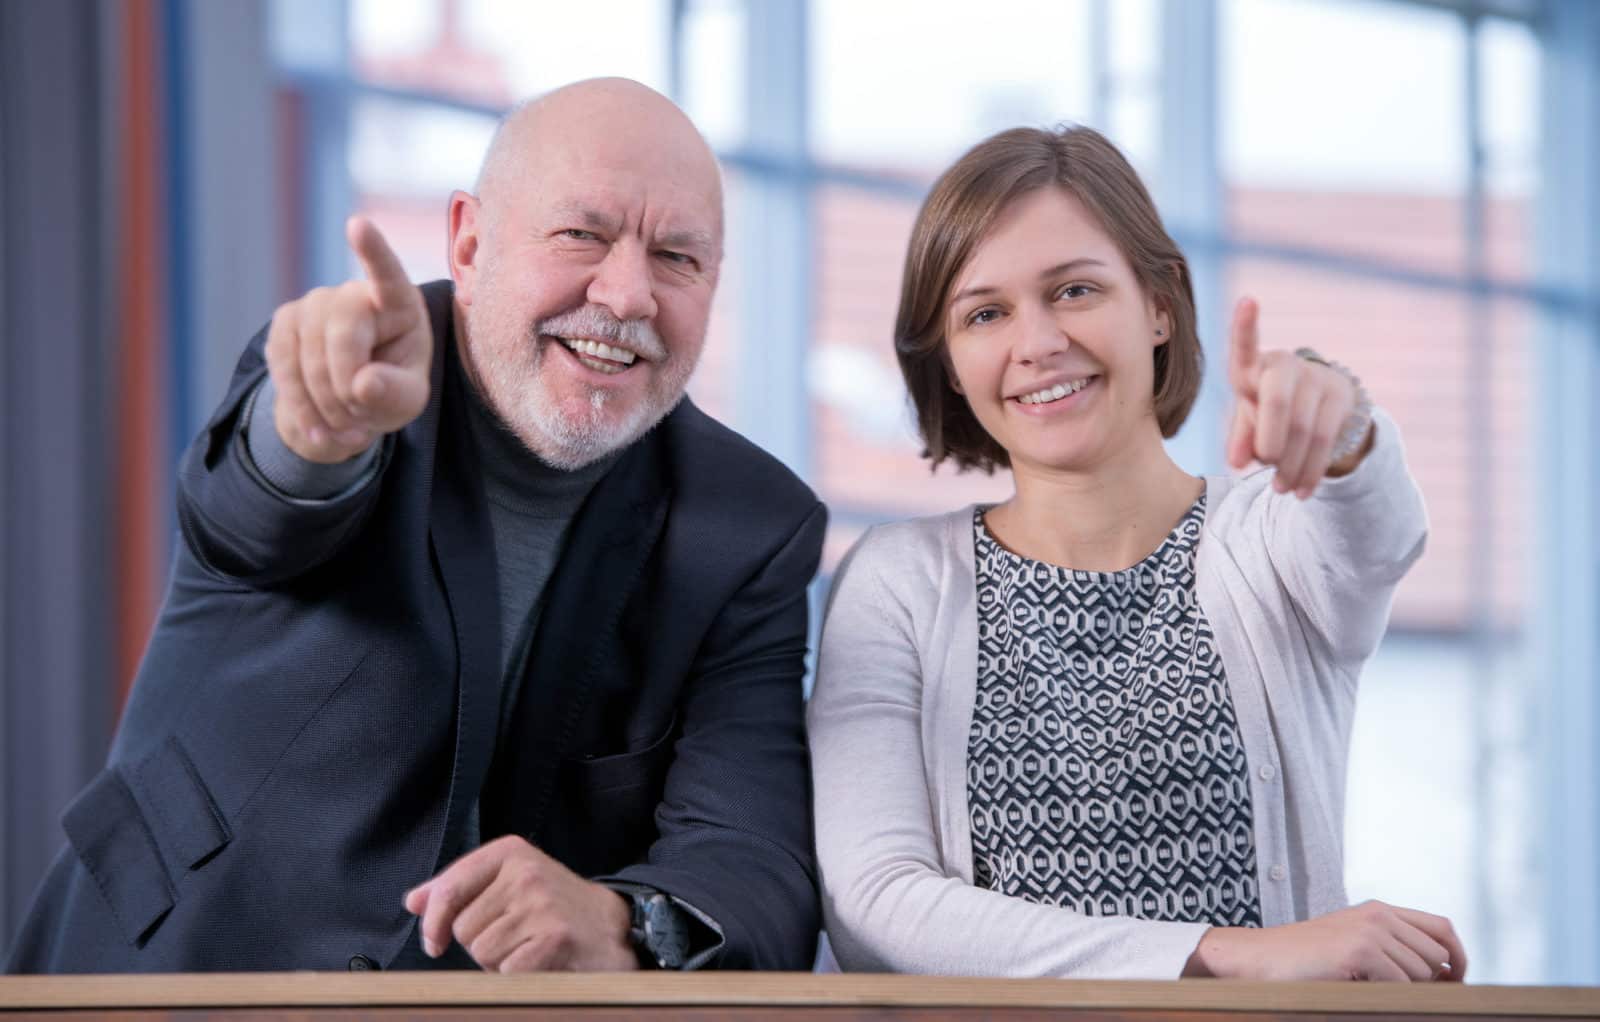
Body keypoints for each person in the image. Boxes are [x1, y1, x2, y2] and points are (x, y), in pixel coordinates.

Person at [8, 78, 825, 974]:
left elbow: (756, 861)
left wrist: (622, 922)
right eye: (581, 234)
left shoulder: (751, 526)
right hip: (169, 968)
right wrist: (317, 433)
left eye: (677, 257)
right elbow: (253, 515)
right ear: (470, 246)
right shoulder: (361, 369)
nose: (628, 295)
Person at [807, 125, 1467, 981]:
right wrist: (1226, 957)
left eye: (1074, 290)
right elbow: (878, 907)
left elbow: (1376, 539)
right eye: (985, 313)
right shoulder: (899, 582)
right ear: (954, 363)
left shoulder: (1268, 539)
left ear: (1159, 305)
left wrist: (1340, 423)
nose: (1037, 342)